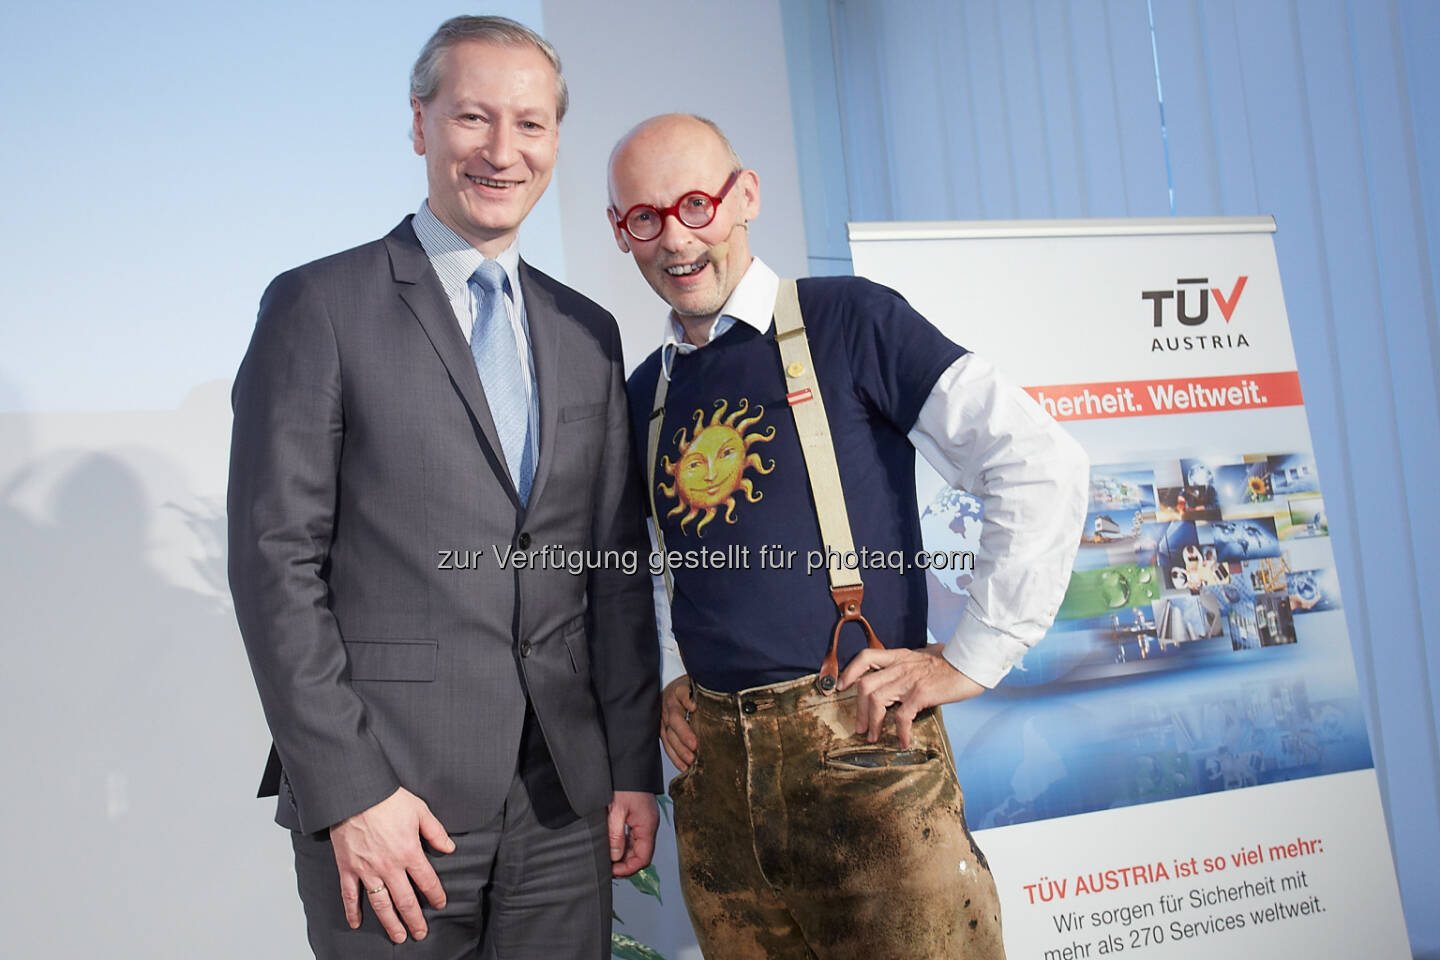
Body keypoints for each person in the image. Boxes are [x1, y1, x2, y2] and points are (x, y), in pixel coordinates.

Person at [228, 17, 660, 958]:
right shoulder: (319, 306)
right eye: (473, 117)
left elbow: (616, 576)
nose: (503, 151)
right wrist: (349, 793)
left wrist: (632, 768)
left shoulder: (588, 332)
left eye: (532, 125)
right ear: (420, 124)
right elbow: (275, 567)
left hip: (563, 808)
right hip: (394, 806)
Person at [608, 114, 1089, 958]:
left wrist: (972, 656)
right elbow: (656, 560)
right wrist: (676, 672)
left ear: (745, 194)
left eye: (695, 204)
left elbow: (1039, 460)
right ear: (622, 231)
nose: (675, 238)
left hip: (862, 755)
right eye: (644, 217)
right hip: (718, 791)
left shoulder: (851, 319)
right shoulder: (645, 391)